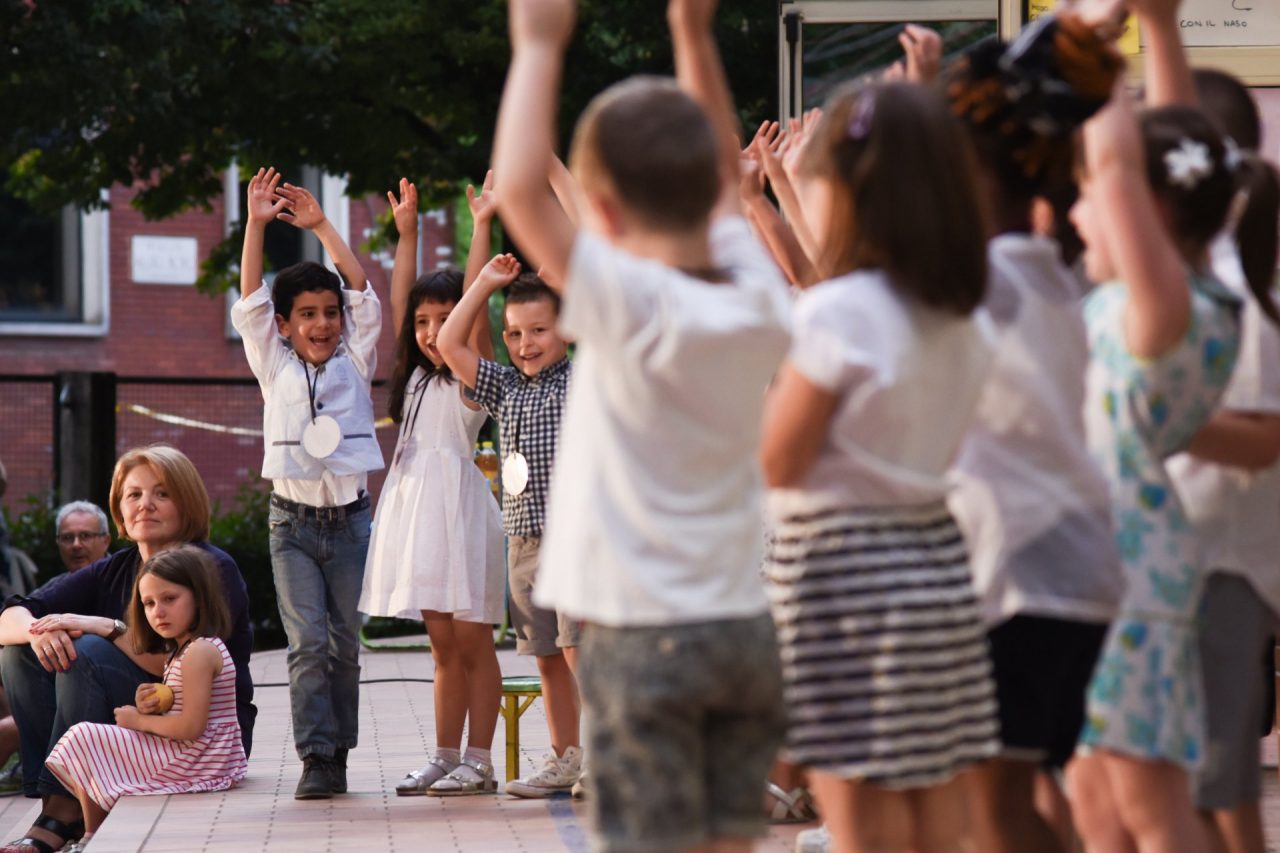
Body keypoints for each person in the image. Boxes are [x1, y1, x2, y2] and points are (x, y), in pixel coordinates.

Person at [490, 1, 791, 847]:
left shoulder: (628, 303)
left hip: (640, 626)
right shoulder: (754, 291)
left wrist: (537, 44)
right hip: (739, 622)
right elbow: (725, 189)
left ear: (607, 214)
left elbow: (520, 191)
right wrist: (692, 33)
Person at [760, 76, 1000, 852]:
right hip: (939, 567)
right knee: (934, 819)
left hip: (841, 579)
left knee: (863, 825)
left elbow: (781, 460)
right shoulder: (964, 314)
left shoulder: (839, 311)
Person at [1064, 0, 1280, 848]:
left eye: (1091, 195)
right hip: (1124, 562)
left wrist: (1100, 53)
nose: (1079, 210)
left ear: (1148, 214)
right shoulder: (1187, 286)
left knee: (1159, 804)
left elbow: (1125, 165)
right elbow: (1157, 154)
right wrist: (1152, 29)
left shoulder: (1168, 308)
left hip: (1149, 571)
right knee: (1102, 797)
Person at [942, 14, 1127, 853]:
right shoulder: (1052, 272)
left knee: (994, 813)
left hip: (1016, 581)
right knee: (1030, 802)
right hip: (1075, 573)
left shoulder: (976, 288)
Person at [0, 445, 254, 853]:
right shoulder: (114, 568)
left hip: (196, 733)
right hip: (133, 714)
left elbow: (186, 661)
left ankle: (62, 812)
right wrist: (38, 632)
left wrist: (106, 627)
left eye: (162, 493)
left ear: (187, 502)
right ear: (119, 507)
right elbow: (10, 615)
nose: (145, 505)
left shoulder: (210, 567)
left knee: (85, 651)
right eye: (133, 494)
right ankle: (56, 794)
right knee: (22, 652)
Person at [231, 167, 383, 800]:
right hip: (291, 526)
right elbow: (250, 299)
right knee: (306, 644)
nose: (322, 324)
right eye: (307, 315)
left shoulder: (357, 358)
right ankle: (316, 756)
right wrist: (256, 226)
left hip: (349, 524)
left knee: (344, 645)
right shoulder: (273, 365)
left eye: (329, 313)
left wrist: (320, 226)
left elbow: (362, 290)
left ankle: (339, 751)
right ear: (286, 325)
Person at [359, 176, 506, 797]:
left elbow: (472, 315)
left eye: (444, 320)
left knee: (473, 642)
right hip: (417, 517)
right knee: (442, 646)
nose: (429, 331)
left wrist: (483, 227)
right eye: (424, 322)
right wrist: (408, 233)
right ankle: (446, 756)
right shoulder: (416, 378)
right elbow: (401, 303)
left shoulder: (473, 376)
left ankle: (480, 759)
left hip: (458, 515)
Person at [1164, 69, 1280, 853]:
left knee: (1207, 786)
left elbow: (1264, 435)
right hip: (1192, 562)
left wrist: (1155, 420)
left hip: (1218, 565)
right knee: (1216, 791)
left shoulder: (1234, 296)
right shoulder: (1205, 282)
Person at [438, 254, 581, 797]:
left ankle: (610, 756)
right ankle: (566, 758)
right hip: (523, 542)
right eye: (516, 333)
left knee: (582, 652)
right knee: (547, 656)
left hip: (576, 539)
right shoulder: (504, 386)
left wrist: (568, 282)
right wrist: (483, 284)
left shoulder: (585, 380)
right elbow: (450, 344)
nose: (526, 344)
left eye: (539, 330)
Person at [44, 546, 248, 851]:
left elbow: (191, 727)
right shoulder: (182, 650)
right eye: (149, 603)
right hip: (197, 753)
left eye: (169, 599)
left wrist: (139, 720)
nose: (158, 612)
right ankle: (91, 830)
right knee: (86, 739)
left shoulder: (200, 652)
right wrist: (151, 703)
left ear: (199, 597)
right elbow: (182, 704)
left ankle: (91, 835)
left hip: (202, 760)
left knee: (84, 737)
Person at [53, 502, 111, 573]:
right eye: (67, 537)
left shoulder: (122, 578)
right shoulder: (56, 581)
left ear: (105, 541)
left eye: (85, 536)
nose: (76, 545)